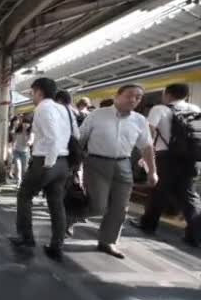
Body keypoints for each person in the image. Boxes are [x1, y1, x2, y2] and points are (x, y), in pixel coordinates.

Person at [79, 84, 158, 259]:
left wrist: (152, 171)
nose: (134, 100)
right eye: (130, 95)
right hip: (96, 162)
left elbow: (147, 147)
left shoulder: (139, 120)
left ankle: (108, 241)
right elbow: (80, 139)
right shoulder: (97, 115)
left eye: (138, 97)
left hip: (123, 164)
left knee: (120, 207)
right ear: (117, 96)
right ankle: (67, 219)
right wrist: (74, 165)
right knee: (97, 205)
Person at [9, 78, 78, 262]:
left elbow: (52, 137)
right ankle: (57, 245)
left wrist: (48, 163)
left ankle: (26, 238)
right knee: (56, 203)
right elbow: (76, 135)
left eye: (32, 93)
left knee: (24, 196)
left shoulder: (43, 107)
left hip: (47, 161)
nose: (32, 97)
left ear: (39, 92)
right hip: (63, 163)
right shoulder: (65, 109)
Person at [130, 83, 201, 247]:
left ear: (167, 94)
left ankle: (148, 225)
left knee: (158, 191)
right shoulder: (196, 110)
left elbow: (150, 132)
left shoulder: (160, 109)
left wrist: (146, 155)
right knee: (190, 196)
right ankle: (195, 235)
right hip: (191, 158)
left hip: (166, 157)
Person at [11, 120, 33, 187]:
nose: (26, 125)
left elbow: (29, 142)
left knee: (24, 169)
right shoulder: (18, 131)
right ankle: (18, 181)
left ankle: (24, 183)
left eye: (27, 123)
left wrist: (28, 141)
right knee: (18, 166)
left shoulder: (30, 133)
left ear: (29, 125)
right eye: (24, 123)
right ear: (22, 123)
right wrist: (13, 147)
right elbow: (14, 140)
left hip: (25, 153)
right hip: (16, 151)